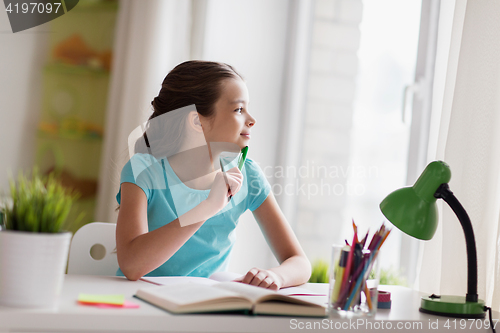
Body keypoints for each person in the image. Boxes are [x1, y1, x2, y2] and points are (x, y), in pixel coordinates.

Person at [115, 60, 311, 290]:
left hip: (204, 310)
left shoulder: (247, 174)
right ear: (197, 121)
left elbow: (299, 262)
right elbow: (131, 265)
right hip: (141, 304)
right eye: (239, 109)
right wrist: (209, 206)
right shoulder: (143, 170)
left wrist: (276, 276)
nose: (252, 119)